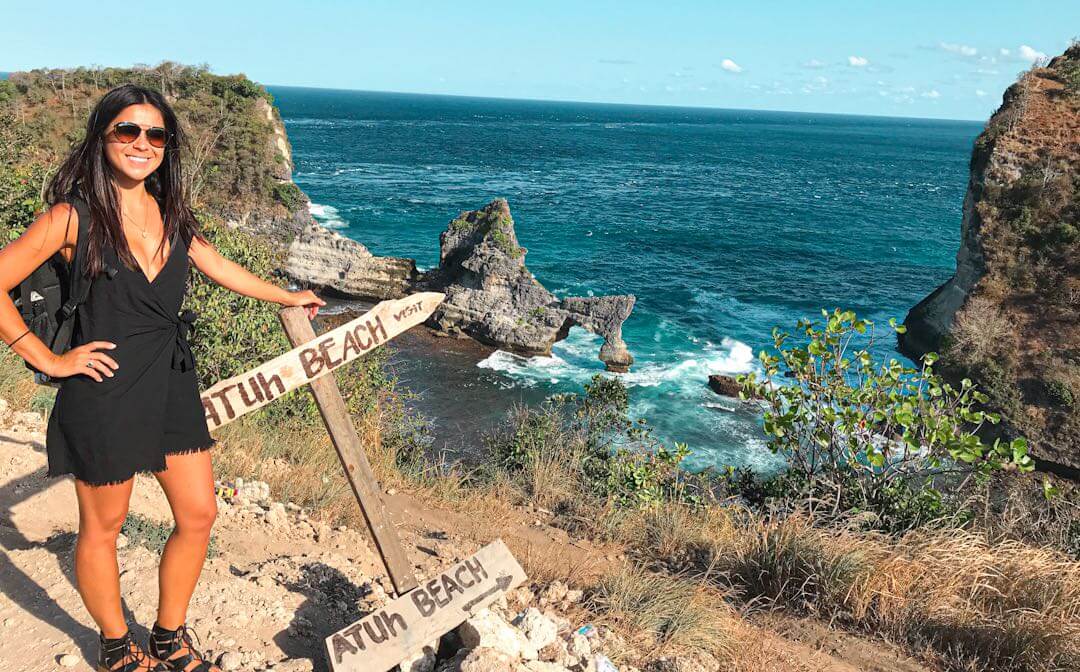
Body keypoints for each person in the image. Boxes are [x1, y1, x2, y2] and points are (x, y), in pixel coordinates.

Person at [0, 84, 325, 671]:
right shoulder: (72, 217)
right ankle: (116, 646)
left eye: (155, 134)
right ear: (102, 138)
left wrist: (287, 295)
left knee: (199, 514)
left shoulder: (172, 211)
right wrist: (49, 360)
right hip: (104, 388)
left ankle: (170, 637)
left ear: (167, 146)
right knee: (103, 528)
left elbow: (218, 265)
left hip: (171, 381)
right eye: (127, 130)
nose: (141, 143)